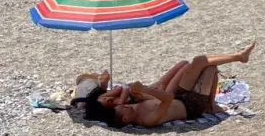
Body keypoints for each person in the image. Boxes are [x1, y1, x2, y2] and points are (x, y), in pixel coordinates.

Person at [76, 43, 253, 127]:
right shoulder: (147, 120)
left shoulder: (131, 108)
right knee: (210, 68)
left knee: (198, 61)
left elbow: (158, 94)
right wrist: (143, 90)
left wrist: (140, 93)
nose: (123, 106)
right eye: (122, 110)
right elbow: (166, 98)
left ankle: (239, 57)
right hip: (192, 106)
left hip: (180, 96)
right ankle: (210, 104)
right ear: (124, 118)